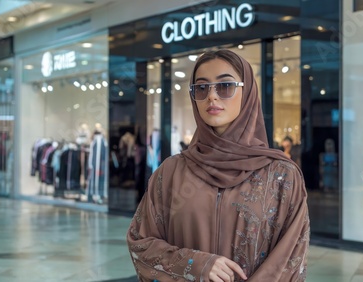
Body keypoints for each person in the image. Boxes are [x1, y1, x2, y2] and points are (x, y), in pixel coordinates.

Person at [126, 49, 310, 282]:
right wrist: (196, 265)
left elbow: (289, 261)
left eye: (225, 86)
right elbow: (140, 243)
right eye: (202, 88)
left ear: (248, 92)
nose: (212, 96)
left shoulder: (282, 175)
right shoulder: (171, 172)